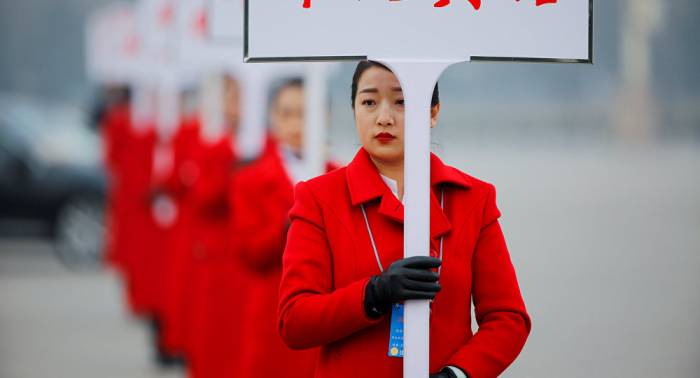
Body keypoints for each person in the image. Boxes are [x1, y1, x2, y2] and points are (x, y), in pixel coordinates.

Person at [278, 61, 531, 378]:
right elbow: (295, 320)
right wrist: (372, 294)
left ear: (433, 112)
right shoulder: (318, 198)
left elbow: (508, 318)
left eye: (403, 101)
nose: (384, 117)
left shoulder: (473, 199)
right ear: (354, 109)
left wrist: (459, 373)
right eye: (369, 102)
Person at [231, 78, 332, 378]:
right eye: (287, 114)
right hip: (272, 314)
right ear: (273, 118)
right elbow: (250, 253)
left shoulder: (341, 175)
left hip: (327, 317)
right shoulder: (250, 179)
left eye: (305, 113)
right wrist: (289, 222)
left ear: (323, 117)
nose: (296, 124)